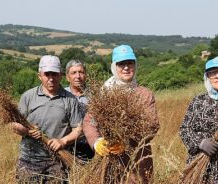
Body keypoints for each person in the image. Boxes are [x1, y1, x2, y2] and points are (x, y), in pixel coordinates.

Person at [83, 45, 160, 183]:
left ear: (135, 65)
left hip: (138, 163)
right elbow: (89, 122)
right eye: (121, 64)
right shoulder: (104, 93)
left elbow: (152, 125)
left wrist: (124, 141)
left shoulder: (144, 94)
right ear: (114, 67)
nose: (126, 67)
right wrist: (97, 142)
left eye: (130, 63)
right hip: (109, 161)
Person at [12, 55, 82, 183]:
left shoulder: (71, 100)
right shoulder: (28, 96)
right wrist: (27, 132)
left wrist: (63, 141)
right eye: (47, 74)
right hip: (29, 160)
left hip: (57, 161)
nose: (51, 78)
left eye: (54, 74)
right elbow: (15, 126)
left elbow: (78, 130)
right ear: (39, 75)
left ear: (60, 75)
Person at [65, 59, 94, 161]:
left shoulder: (95, 95)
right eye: (73, 73)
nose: (78, 76)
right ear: (67, 77)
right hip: (66, 147)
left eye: (81, 72)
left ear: (85, 75)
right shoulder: (62, 96)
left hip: (90, 146)